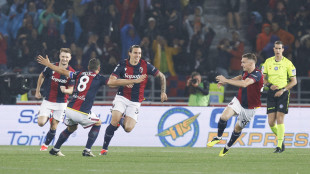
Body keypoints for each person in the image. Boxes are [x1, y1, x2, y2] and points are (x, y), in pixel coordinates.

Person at [37, 55, 146, 157]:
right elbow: (114, 82)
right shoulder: (99, 78)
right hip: (82, 112)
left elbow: (63, 71)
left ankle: (55, 149)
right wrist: (133, 80)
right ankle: (87, 150)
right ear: (99, 68)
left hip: (69, 109)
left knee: (71, 127)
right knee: (98, 123)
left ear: (88, 67)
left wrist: (49, 65)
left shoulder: (79, 74)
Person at [100, 45, 168, 155]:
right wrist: (128, 81)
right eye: (135, 53)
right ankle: (104, 148)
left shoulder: (145, 65)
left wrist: (163, 91)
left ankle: (121, 120)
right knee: (114, 120)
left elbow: (162, 76)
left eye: (139, 53)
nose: (138, 55)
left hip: (135, 102)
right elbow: (111, 82)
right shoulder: (122, 64)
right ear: (130, 53)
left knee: (128, 128)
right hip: (122, 97)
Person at [207, 53, 263, 157]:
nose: (241, 64)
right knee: (223, 117)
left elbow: (244, 83)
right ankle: (218, 138)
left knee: (237, 128)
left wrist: (226, 80)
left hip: (250, 107)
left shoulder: (257, 74)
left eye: (243, 62)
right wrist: (226, 82)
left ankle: (227, 148)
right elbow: (240, 77)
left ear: (251, 63)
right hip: (239, 100)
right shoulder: (246, 71)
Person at [35, 48, 75, 152]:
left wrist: (66, 90)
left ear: (70, 58)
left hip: (61, 103)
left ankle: (45, 145)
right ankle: (48, 116)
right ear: (59, 56)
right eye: (63, 56)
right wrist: (37, 91)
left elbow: (71, 90)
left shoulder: (71, 72)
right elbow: (41, 76)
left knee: (54, 126)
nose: (64, 59)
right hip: (48, 100)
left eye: (66, 57)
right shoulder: (51, 66)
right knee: (40, 123)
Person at [262, 41, 297, 153]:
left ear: (283, 50)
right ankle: (281, 137)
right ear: (273, 49)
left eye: (279, 48)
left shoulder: (288, 63)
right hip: (271, 93)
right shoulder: (268, 62)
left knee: (280, 119)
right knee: (271, 122)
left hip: (283, 93)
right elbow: (263, 78)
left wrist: (283, 90)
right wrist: (269, 85)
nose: (277, 50)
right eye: (276, 48)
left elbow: (294, 81)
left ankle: (279, 146)